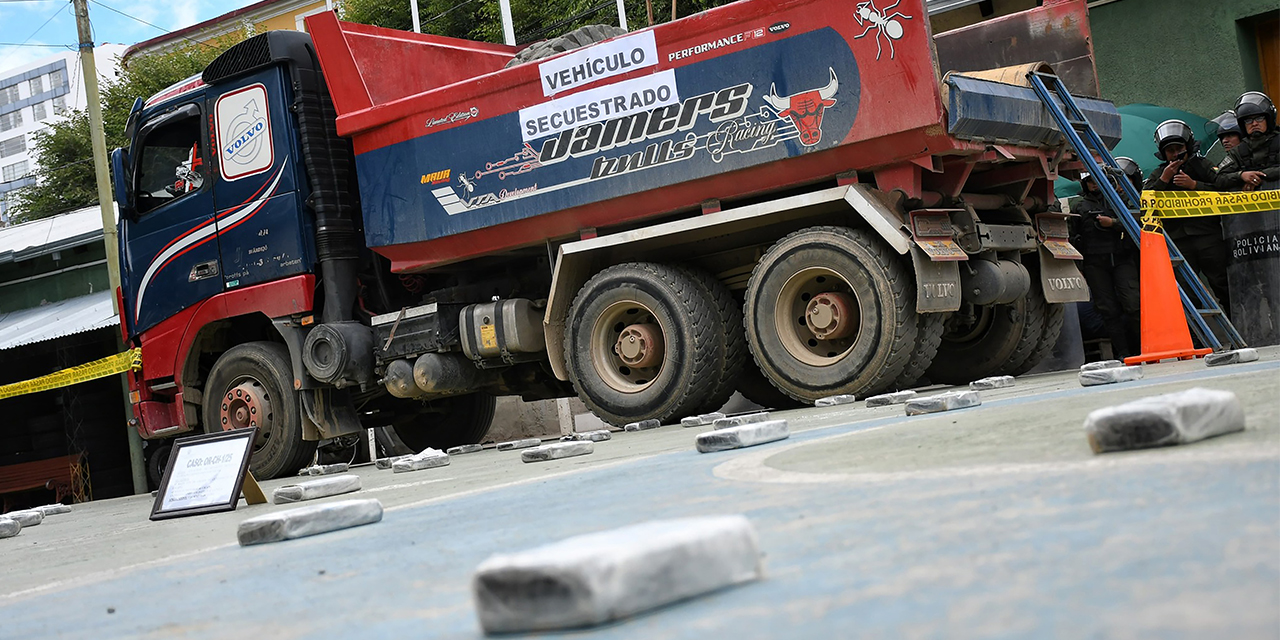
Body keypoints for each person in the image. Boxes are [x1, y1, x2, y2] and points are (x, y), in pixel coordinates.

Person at [1143, 119, 1231, 312]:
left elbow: (1223, 189)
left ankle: (1239, 335)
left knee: (1222, 285)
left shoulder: (1202, 165)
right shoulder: (1158, 173)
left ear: (1188, 147)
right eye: (1170, 150)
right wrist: (1164, 180)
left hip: (1208, 236)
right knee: (1187, 294)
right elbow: (1145, 202)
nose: (1175, 154)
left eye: (1179, 148)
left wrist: (1195, 186)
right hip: (1179, 241)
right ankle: (1197, 340)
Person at [1072, 172, 1140, 357]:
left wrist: (1113, 223)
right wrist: (1079, 268)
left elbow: (1138, 222)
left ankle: (1144, 347)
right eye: (1090, 181)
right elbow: (1073, 237)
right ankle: (1123, 353)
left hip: (1122, 258)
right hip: (1094, 263)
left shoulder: (1121, 200)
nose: (1094, 185)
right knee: (1108, 310)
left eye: (1097, 180)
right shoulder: (1079, 206)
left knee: (1133, 304)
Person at [1214, 92, 1279, 191]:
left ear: (1268, 119)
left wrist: (1259, 177)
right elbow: (1218, 179)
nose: (1254, 124)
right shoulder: (1239, 151)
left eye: (1259, 118)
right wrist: (1241, 176)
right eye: (1248, 121)